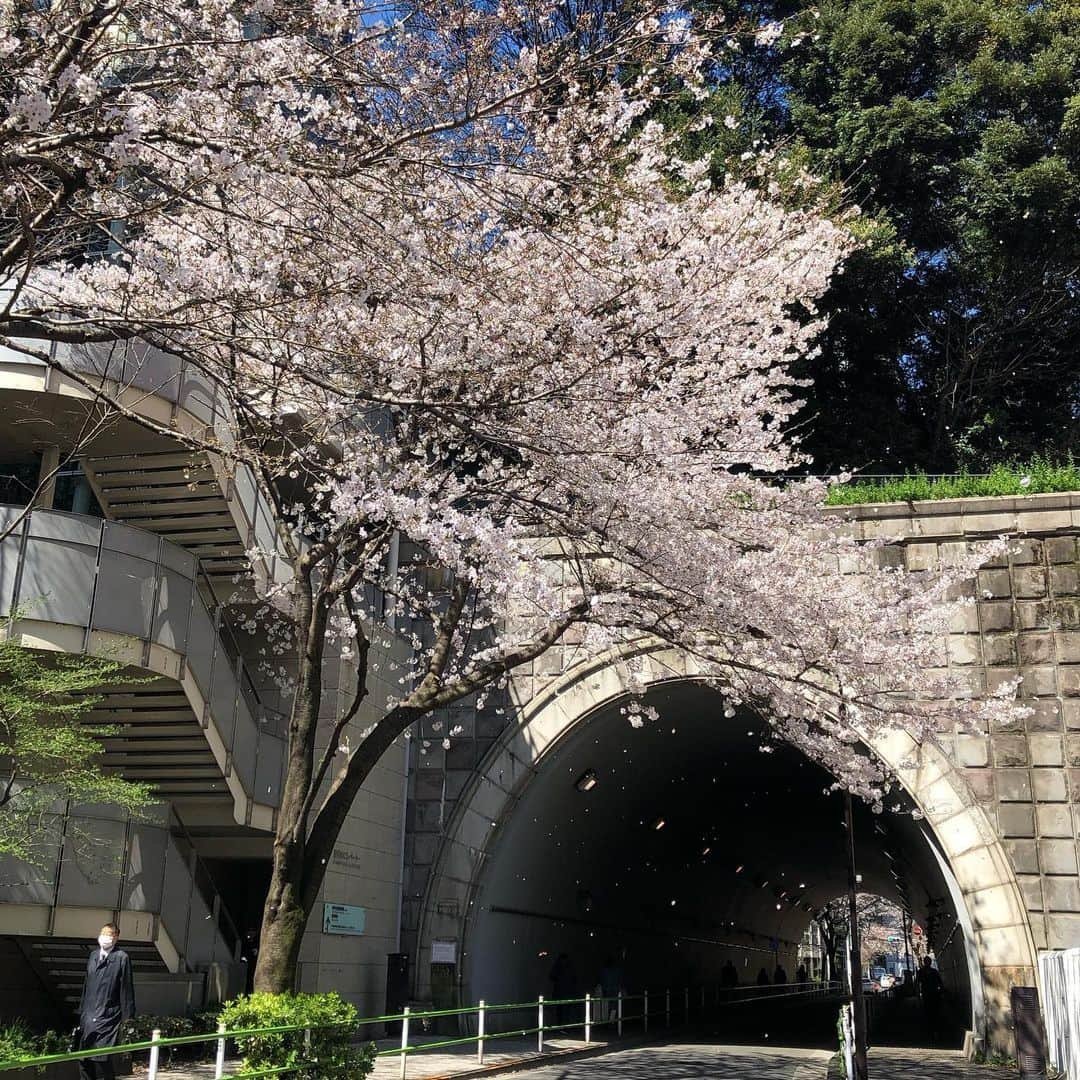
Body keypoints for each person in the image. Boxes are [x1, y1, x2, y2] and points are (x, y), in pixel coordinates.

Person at [77, 923, 135, 1080]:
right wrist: (82, 1013)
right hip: (89, 1016)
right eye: (102, 933)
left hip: (108, 1016)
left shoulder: (121, 958)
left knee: (101, 1058)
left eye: (109, 934)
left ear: (116, 937)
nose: (105, 937)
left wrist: (128, 1020)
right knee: (84, 1058)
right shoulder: (94, 955)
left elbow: (126, 990)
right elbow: (86, 986)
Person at [916, 956, 945, 1045]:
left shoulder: (923, 972)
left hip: (930, 995)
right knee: (932, 1013)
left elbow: (917, 983)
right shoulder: (932, 972)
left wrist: (918, 995)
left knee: (931, 1013)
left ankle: (933, 1031)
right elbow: (940, 984)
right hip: (931, 995)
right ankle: (933, 1031)